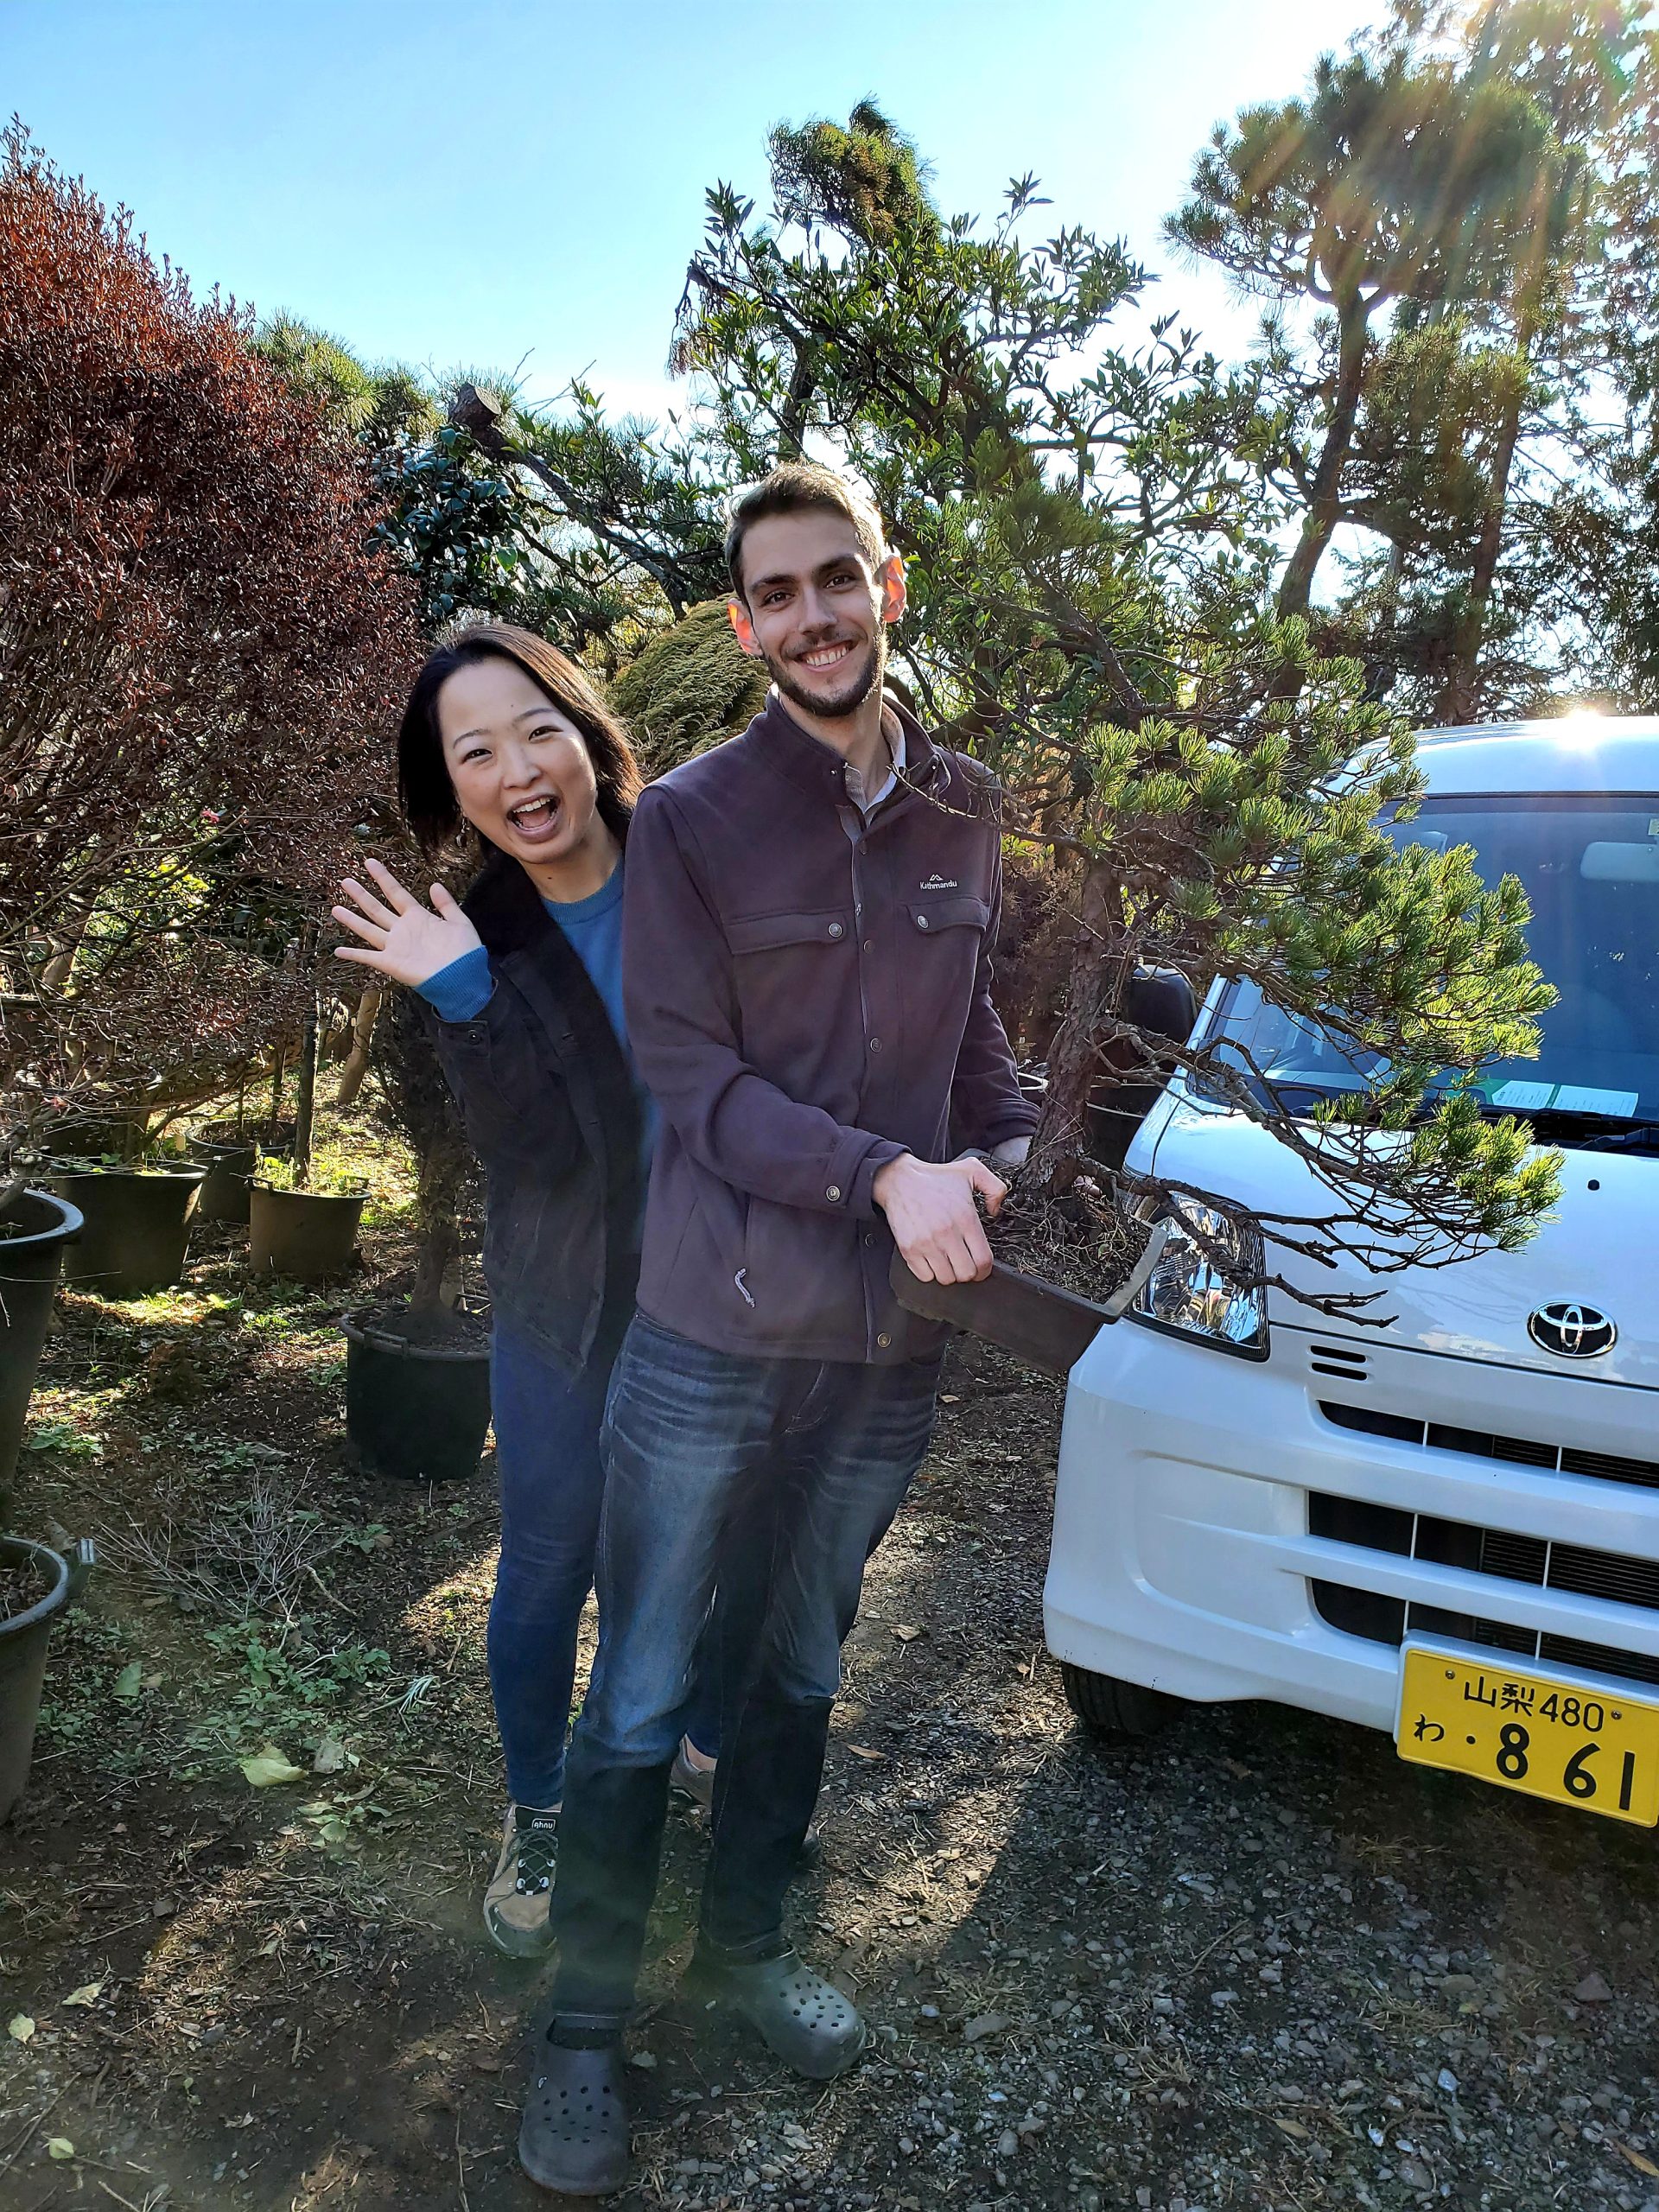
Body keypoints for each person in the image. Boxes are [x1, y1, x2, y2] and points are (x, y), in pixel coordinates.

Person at [524, 465, 1038, 2196]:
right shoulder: (686, 819)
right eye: (780, 592)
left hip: (891, 1355)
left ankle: (744, 1950)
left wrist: (1012, 1155)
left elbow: (985, 1050)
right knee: (650, 1674)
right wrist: (891, 1173)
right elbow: (694, 1080)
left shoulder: (968, 806)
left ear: (887, 583)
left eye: (841, 579)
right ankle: (582, 2030)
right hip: (710, 1334)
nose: (816, 614)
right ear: (745, 623)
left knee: (805, 1659)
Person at [331, 626, 728, 1960]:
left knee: (680, 1553)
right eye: (474, 753)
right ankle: (543, 1805)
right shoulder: (474, 933)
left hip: (710, 1302)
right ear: (453, 793)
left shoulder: (689, 857)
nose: (518, 769)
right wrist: (465, 1002)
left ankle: (683, 1739)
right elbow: (543, 1156)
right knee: (551, 1564)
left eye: (534, 728)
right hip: (562, 1316)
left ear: (583, 726)